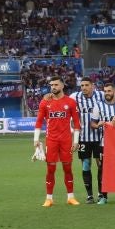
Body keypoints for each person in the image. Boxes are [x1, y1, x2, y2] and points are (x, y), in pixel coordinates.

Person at [34, 77, 81, 208]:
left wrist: (76, 141)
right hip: (52, 140)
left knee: (67, 168)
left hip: (66, 140)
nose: (53, 87)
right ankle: (49, 198)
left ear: (62, 86)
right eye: (51, 85)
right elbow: (38, 121)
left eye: (56, 84)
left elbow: (76, 122)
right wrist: (36, 139)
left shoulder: (70, 102)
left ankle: (70, 197)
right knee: (50, 169)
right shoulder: (45, 102)